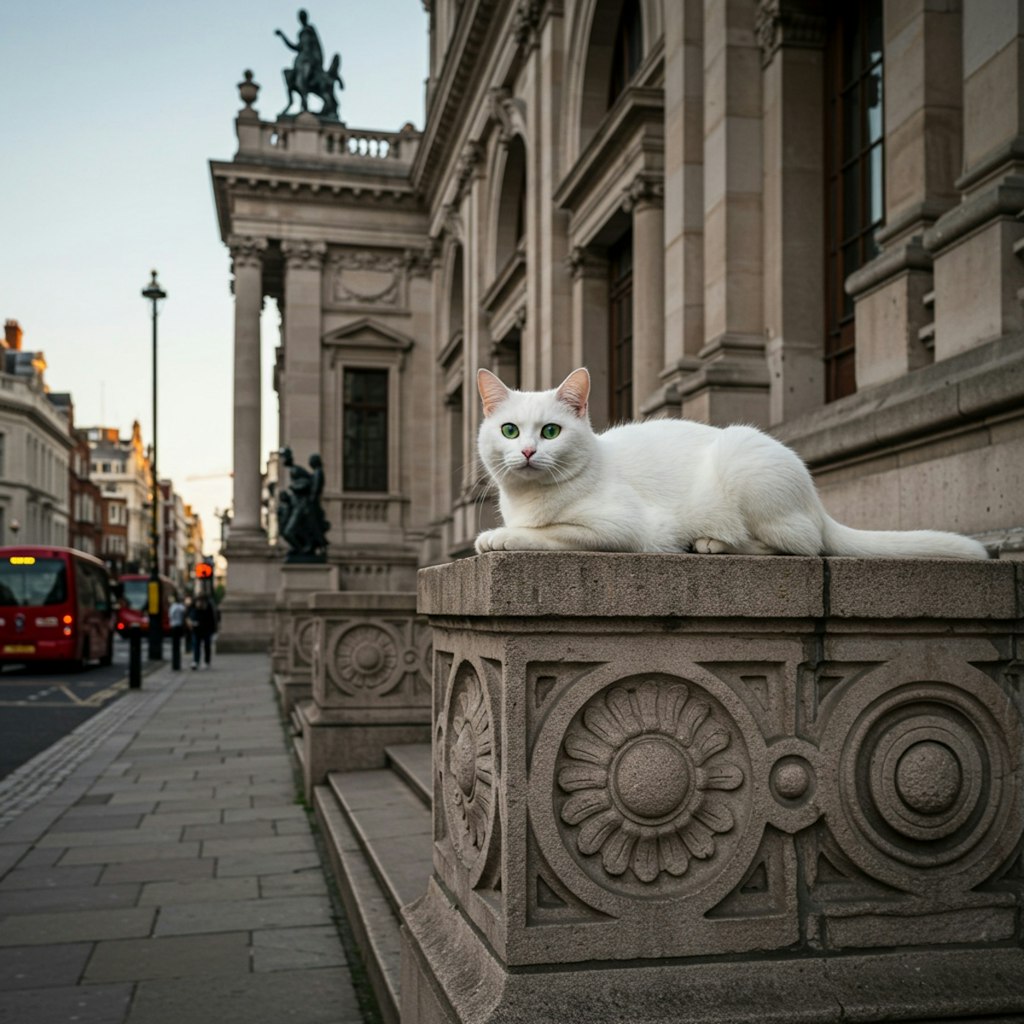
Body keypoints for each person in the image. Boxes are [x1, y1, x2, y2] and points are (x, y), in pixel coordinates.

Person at [188, 595, 218, 671]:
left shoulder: (208, 607)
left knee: (206, 646)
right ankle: (196, 661)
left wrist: (213, 629)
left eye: (202, 601)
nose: (200, 603)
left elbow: (212, 619)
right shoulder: (193, 606)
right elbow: (189, 616)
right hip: (196, 629)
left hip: (206, 629)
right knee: (196, 646)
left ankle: (206, 661)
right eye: (199, 601)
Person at [168, 593, 187, 671]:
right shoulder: (181, 607)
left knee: (174, 646)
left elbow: (170, 616)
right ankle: (177, 664)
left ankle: (175, 665)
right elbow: (184, 614)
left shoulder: (172, 607)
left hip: (174, 626)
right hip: (179, 626)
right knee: (178, 646)